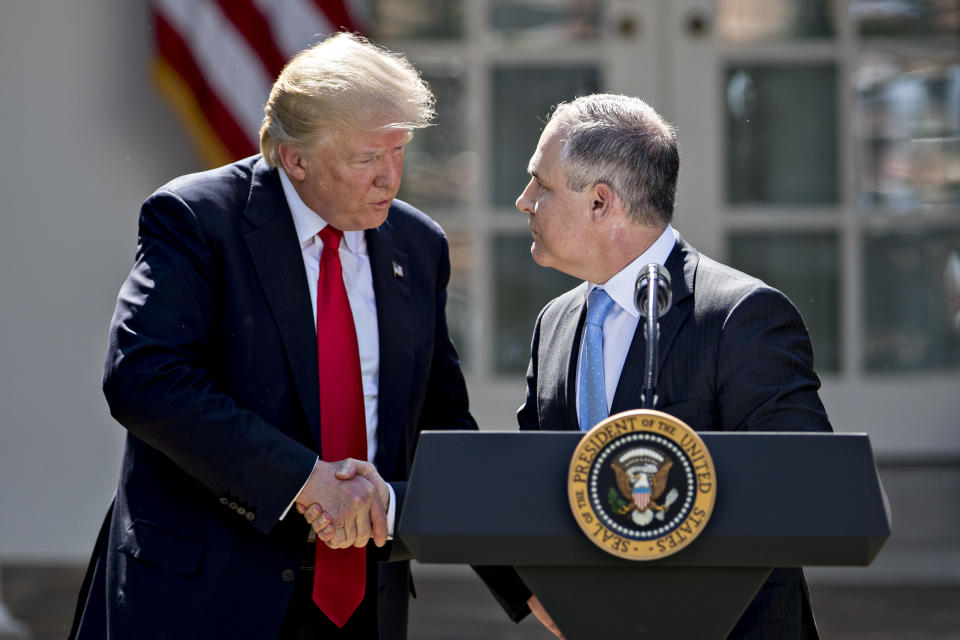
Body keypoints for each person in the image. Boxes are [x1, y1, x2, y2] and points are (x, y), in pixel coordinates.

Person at [69, 32, 476, 640]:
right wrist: (300, 481)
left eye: (399, 151)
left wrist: (525, 580)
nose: (390, 177)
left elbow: (441, 423)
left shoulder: (418, 245)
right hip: (206, 597)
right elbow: (144, 379)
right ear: (296, 159)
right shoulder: (198, 219)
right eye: (368, 158)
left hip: (363, 602)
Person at [481, 93, 831, 639]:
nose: (525, 201)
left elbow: (806, 485)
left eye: (541, 185)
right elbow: (531, 481)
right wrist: (529, 584)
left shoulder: (740, 315)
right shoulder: (556, 322)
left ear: (601, 202)